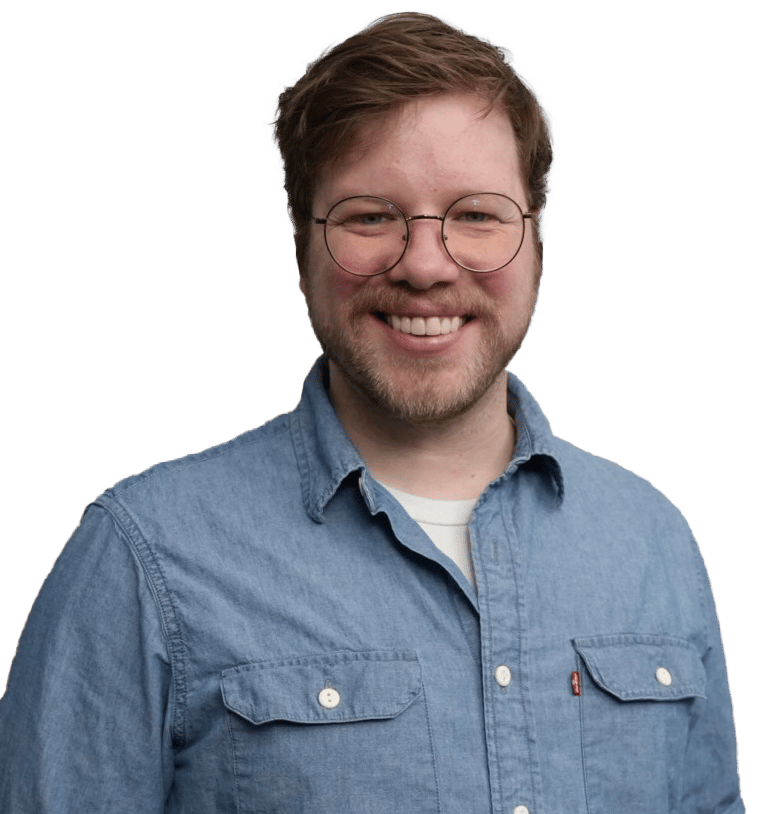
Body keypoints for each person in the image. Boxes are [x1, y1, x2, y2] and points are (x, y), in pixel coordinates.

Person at [0, 10, 744, 813]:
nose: (424, 264)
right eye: (370, 217)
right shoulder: (141, 560)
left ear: (537, 245)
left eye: (476, 215)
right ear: (301, 248)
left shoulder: (653, 542)